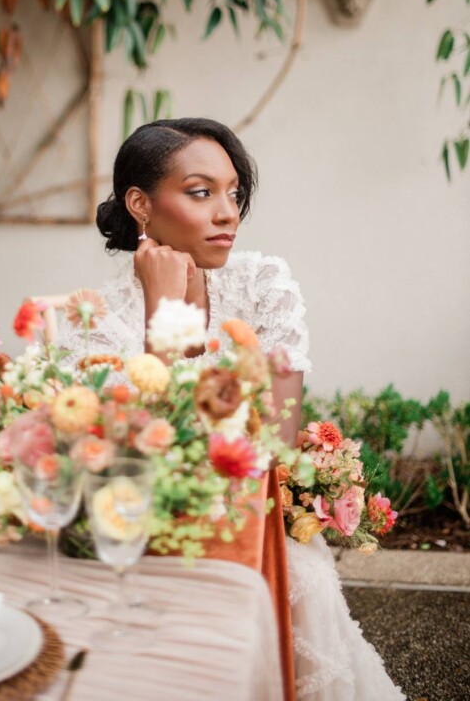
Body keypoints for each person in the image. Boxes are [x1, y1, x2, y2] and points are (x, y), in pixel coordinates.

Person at [58, 117, 406, 701]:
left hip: (255, 527)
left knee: (303, 574)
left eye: (234, 194)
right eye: (202, 193)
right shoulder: (91, 319)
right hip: (144, 539)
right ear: (140, 203)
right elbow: (119, 468)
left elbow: (272, 444)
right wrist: (162, 317)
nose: (228, 213)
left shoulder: (264, 283)